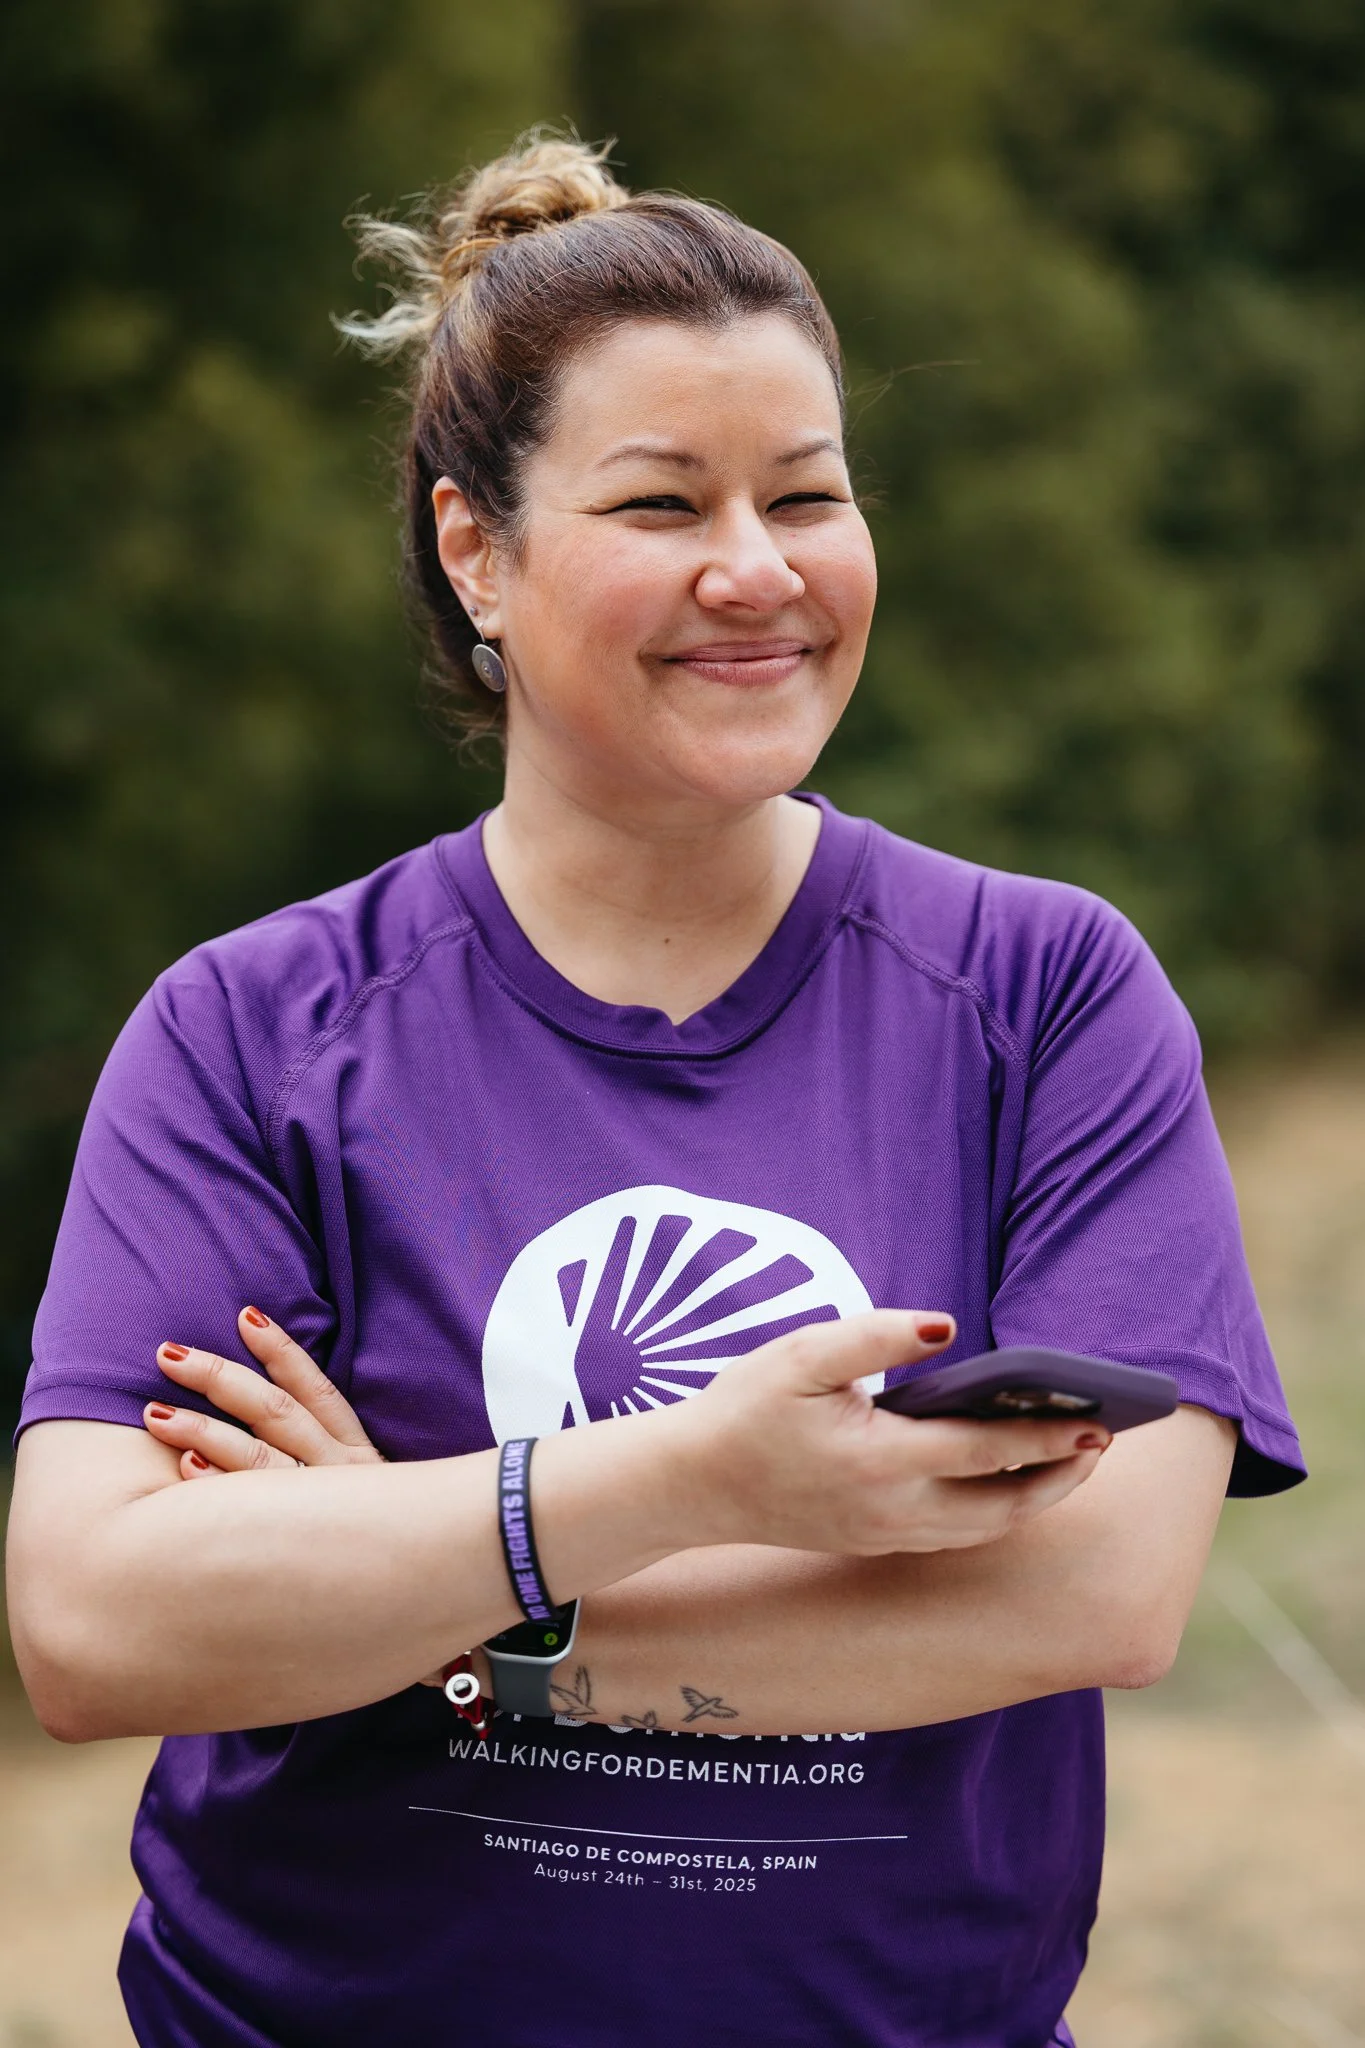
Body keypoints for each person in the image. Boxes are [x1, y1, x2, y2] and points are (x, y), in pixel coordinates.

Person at [7, 135, 1304, 2048]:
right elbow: (97, 1624)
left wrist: (438, 1612)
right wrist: (688, 1478)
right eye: (660, 501)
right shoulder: (251, 1030)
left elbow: (1095, 1597)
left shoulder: (1049, 996)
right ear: (477, 551)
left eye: (809, 494)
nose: (758, 569)